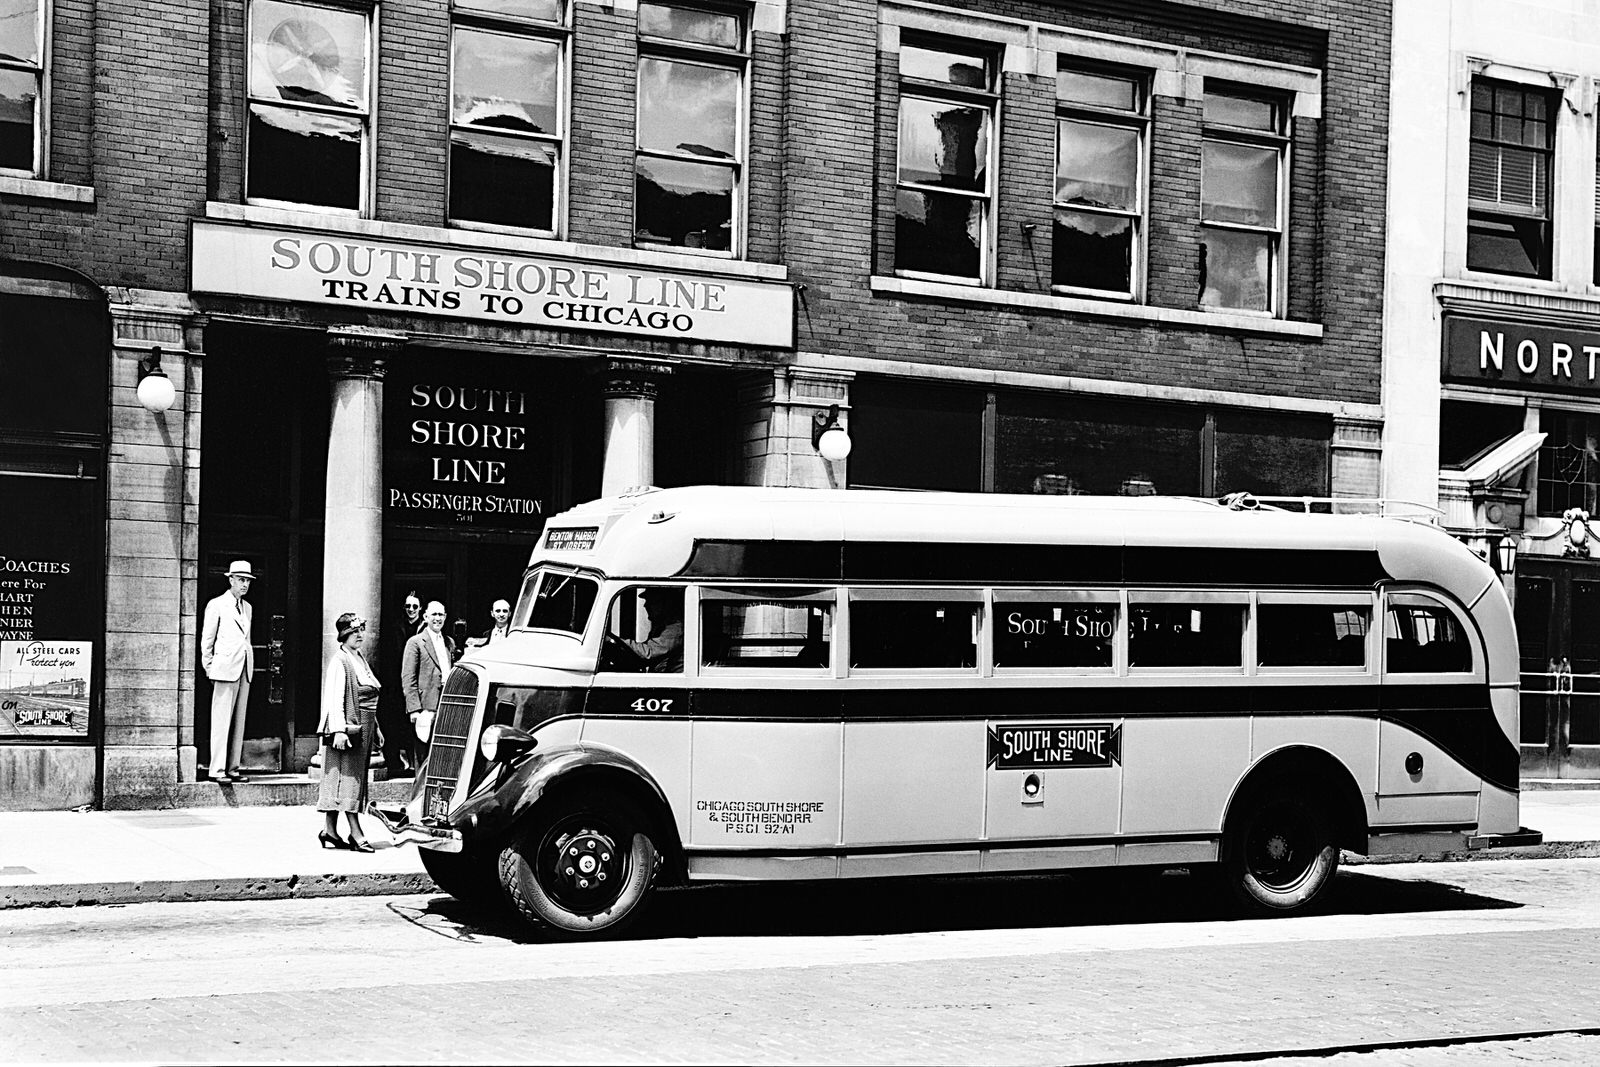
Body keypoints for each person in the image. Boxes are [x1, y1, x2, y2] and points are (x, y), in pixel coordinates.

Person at [316, 612, 383, 852]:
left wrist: (376, 730)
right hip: (348, 729)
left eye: (361, 631)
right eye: (354, 632)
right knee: (347, 780)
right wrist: (339, 731)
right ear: (343, 636)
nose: (359, 635)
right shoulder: (340, 661)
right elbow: (335, 698)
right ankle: (356, 834)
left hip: (364, 728)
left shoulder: (359, 658)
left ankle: (330, 832)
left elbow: (369, 695)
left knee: (342, 779)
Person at [200, 561, 255, 782]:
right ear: (230, 579)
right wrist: (210, 667)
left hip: (243, 668)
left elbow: (245, 639)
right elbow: (207, 640)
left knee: (238, 721)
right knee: (221, 722)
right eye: (240, 580)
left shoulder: (247, 607)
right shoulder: (217, 604)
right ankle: (217, 770)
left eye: (247, 581)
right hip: (224, 669)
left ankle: (233, 768)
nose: (244, 585)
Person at [402, 600, 455, 744]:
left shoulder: (449, 642)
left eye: (441, 615)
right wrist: (414, 709)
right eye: (434, 614)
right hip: (425, 705)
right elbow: (408, 677)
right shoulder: (415, 642)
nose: (437, 618)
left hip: (446, 703)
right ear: (425, 617)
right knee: (423, 751)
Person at [621, 587, 683, 672]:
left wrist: (618, 642)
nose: (645, 605)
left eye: (651, 601)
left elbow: (648, 653)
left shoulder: (675, 628)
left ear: (664, 603)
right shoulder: (660, 626)